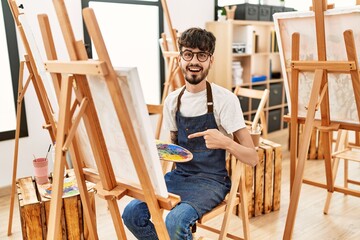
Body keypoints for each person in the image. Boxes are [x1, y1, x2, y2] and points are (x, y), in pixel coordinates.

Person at [122, 27, 258, 240]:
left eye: (202, 55)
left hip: (212, 181)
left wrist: (226, 142)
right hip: (179, 176)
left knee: (175, 221)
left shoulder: (225, 100)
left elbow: (253, 157)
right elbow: (172, 148)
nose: (194, 61)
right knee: (131, 213)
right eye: (188, 54)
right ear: (180, 59)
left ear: (210, 60)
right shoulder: (172, 101)